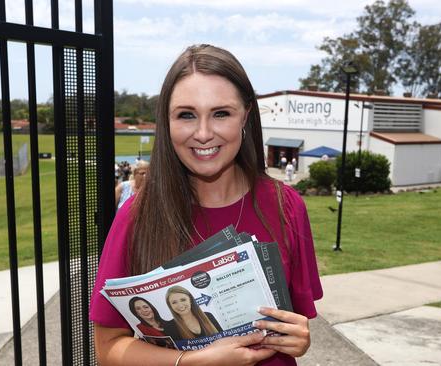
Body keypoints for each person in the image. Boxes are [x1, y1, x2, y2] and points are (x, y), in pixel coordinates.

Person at [90, 44, 322, 366]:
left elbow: (297, 321)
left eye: (221, 113)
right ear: (167, 121)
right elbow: (108, 348)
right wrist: (192, 361)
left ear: (246, 116)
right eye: (186, 115)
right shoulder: (137, 215)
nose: (203, 133)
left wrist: (299, 337)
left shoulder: (287, 207)